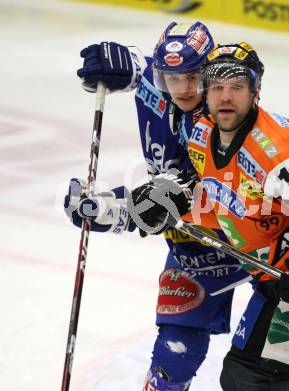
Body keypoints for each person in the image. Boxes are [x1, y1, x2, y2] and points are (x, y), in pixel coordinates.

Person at [128, 42, 289, 390]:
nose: (225, 97)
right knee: (240, 376)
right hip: (278, 274)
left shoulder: (279, 151)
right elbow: (232, 202)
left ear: (255, 91)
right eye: (217, 87)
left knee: (284, 383)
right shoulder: (201, 135)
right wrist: (175, 203)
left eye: (237, 87)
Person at [64, 22, 250, 391]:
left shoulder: (224, 119)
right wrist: (122, 61)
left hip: (258, 240)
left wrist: (114, 209)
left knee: (280, 370)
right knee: (172, 355)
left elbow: (182, 199)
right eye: (171, 78)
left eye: (192, 77)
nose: (181, 88)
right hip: (196, 247)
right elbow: (146, 68)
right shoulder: (162, 79)